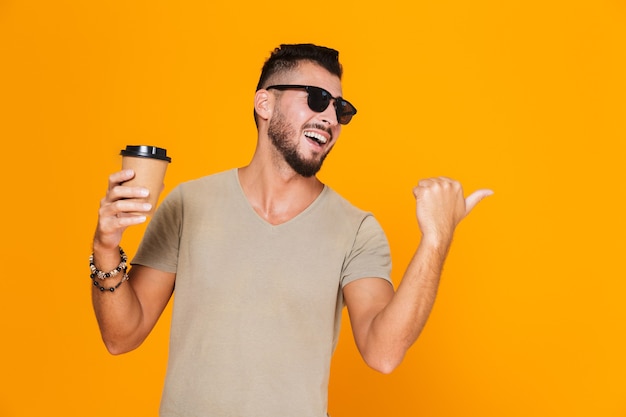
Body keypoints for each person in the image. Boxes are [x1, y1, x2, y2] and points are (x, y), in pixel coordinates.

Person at [90, 43, 492, 417]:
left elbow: (383, 353)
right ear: (264, 103)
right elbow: (121, 336)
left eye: (341, 109)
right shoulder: (187, 204)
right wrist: (106, 246)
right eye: (317, 99)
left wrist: (436, 240)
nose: (331, 118)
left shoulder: (356, 230)